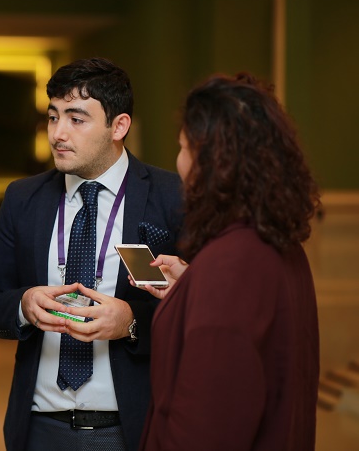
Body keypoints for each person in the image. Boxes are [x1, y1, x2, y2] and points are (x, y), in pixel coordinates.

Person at [0, 57, 184, 451]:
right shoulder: (23, 199)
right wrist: (23, 305)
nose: (58, 133)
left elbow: (200, 311)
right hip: (39, 425)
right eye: (53, 117)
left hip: (132, 425)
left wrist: (131, 323)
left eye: (76, 119)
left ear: (118, 126)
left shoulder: (171, 197)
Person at [135, 73, 320, 451]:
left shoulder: (228, 266)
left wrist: (206, 286)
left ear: (210, 161)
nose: (178, 161)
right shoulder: (277, 243)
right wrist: (192, 288)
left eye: (183, 147)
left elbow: (204, 427)